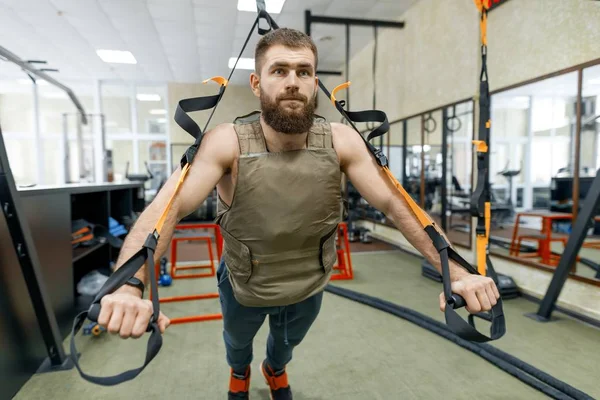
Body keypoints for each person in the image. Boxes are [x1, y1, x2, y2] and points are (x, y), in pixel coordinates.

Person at [96, 27, 500, 400]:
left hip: (308, 282)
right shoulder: (226, 143)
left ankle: (275, 369)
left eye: (304, 71)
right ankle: (240, 373)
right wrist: (130, 285)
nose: (293, 81)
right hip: (243, 282)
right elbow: (167, 207)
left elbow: (397, 203)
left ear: (315, 82)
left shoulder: (342, 141)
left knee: (287, 343)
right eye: (280, 70)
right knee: (237, 343)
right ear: (257, 83)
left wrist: (458, 272)